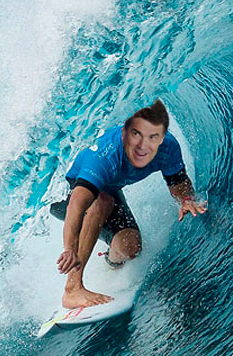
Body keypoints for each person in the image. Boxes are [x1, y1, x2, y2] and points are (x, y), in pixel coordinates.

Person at [50, 100, 207, 308]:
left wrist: (186, 200)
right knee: (102, 201)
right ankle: (72, 289)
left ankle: (111, 261)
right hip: (63, 194)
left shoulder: (167, 146)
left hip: (107, 190)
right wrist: (70, 249)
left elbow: (178, 181)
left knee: (131, 247)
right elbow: (76, 205)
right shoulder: (105, 157)